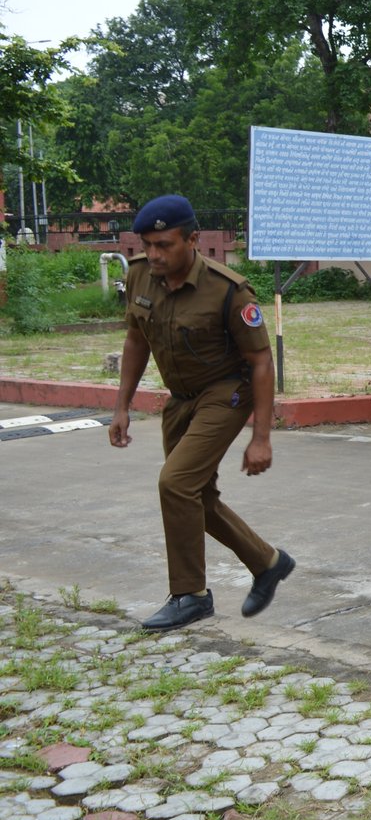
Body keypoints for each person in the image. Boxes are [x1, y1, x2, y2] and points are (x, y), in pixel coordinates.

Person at [108, 194, 294, 631]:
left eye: (164, 244)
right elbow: (136, 340)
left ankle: (190, 594)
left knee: (175, 483)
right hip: (180, 398)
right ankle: (268, 563)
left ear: (193, 240)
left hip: (226, 393)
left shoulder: (228, 290)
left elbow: (261, 361)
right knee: (193, 497)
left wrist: (261, 438)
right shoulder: (139, 275)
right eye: (147, 244)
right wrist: (122, 406)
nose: (154, 254)